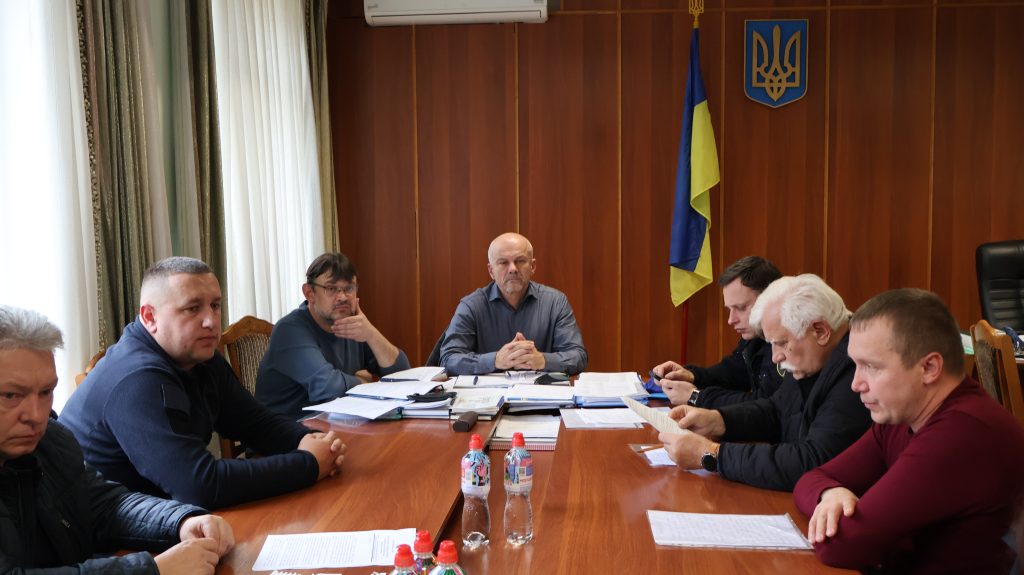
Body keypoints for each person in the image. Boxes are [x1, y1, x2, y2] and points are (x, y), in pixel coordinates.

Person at [60, 257, 346, 510]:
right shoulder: (136, 378)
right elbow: (198, 485)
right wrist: (308, 464)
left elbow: (256, 423)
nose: (211, 321)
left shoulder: (199, 356)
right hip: (108, 539)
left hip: (168, 514)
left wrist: (311, 441)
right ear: (150, 317)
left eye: (215, 306)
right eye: (192, 308)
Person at [794, 289, 1024, 573]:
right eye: (856, 365)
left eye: (871, 367)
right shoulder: (901, 417)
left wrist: (866, 532)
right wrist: (831, 493)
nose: (856, 384)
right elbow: (811, 478)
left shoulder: (962, 433)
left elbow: (842, 545)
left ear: (929, 367)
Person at [0, 305, 234, 574]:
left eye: (45, 392)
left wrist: (181, 520)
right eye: (11, 395)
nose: (36, 415)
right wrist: (151, 570)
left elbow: (106, 505)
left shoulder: (53, 440)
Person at [659, 274, 871, 491]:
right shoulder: (812, 357)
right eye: (771, 344)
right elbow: (777, 410)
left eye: (781, 343)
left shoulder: (858, 370)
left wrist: (712, 454)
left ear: (821, 331)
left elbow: (813, 462)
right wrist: (718, 420)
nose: (775, 357)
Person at [256, 252, 411, 419]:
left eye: (349, 288)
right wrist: (362, 382)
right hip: (289, 430)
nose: (342, 297)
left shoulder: (352, 325)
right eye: (331, 288)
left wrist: (371, 334)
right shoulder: (289, 330)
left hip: (336, 424)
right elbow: (328, 389)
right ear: (309, 293)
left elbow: (404, 375)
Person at [439, 232, 588, 375]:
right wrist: (495, 360)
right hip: (489, 392)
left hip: (540, 391)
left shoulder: (556, 302)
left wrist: (543, 360)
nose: (513, 269)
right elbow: (448, 359)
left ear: (532, 266)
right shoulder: (471, 306)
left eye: (520, 261)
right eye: (503, 262)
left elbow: (578, 356)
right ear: (491, 271)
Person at [649, 256, 784, 409]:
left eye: (740, 308)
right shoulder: (755, 335)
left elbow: (765, 406)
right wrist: (691, 375)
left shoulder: (787, 344)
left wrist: (696, 397)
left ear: (770, 301)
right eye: (729, 309)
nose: (731, 320)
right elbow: (732, 373)